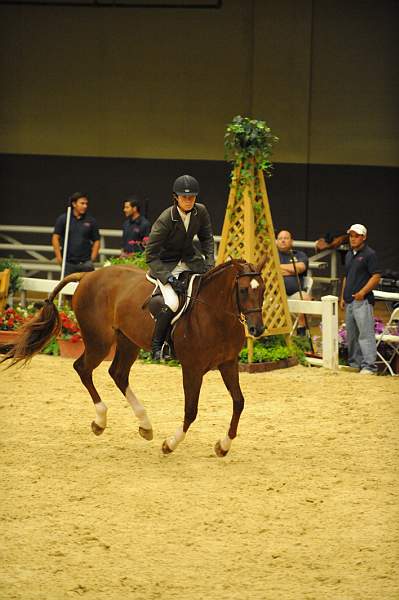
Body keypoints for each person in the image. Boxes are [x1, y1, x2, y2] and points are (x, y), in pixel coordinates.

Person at [145, 174, 215, 361]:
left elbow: (207, 238)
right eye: (184, 197)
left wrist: (209, 262)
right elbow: (150, 255)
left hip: (191, 261)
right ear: (176, 197)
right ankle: (158, 346)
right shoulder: (165, 219)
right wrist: (169, 279)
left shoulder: (201, 211)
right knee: (173, 302)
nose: (188, 201)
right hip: (166, 265)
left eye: (192, 197)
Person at [339, 223, 381, 374]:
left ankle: (370, 366)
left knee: (365, 334)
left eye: (357, 236)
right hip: (350, 301)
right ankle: (355, 364)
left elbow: (376, 276)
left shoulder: (370, 254)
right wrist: (342, 297)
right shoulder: (350, 254)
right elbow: (346, 277)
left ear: (364, 237)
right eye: (351, 235)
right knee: (352, 335)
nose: (353, 239)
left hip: (362, 301)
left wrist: (362, 292)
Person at [52, 192, 100, 276]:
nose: (85, 206)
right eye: (82, 203)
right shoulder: (64, 219)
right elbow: (55, 238)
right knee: (67, 288)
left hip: (86, 264)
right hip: (68, 263)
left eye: (86, 203)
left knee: (88, 288)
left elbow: (97, 240)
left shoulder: (91, 220)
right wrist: (59, 258)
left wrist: (92, 258)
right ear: (74, 204)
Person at [276, 229, 311, 335]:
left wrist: (279, 268)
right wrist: (292, 270)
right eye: (280, 238)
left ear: (291, 241)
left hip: (295, 294)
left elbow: (300, 268)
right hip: (276, 295)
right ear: (276, 241)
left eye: (286, 238)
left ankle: (301, 329)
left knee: (306, 298)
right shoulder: (272, 255)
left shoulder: (300, 255)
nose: (283, 241)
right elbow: (271, 270)